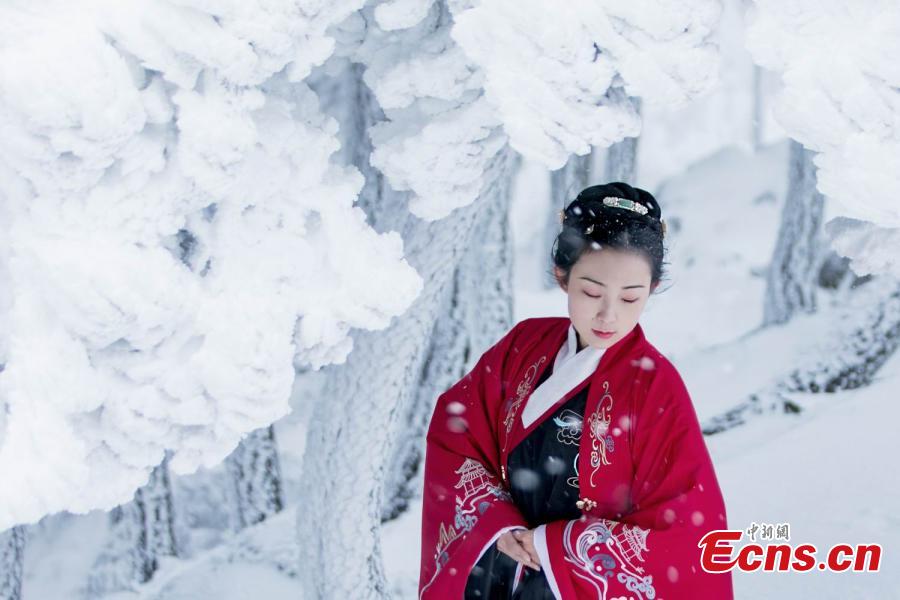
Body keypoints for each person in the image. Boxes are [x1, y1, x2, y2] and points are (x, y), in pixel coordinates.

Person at [417, 182, 734, 600]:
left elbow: (687, 528)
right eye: (591, 292)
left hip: (578, 586)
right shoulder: (523, 345)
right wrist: (499, 522)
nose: (608, 314)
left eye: (630, 297)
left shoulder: (655, 385)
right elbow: (458, 432)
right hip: (498, 566)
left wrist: (558, 545)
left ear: (651, 290)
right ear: (562, 276)